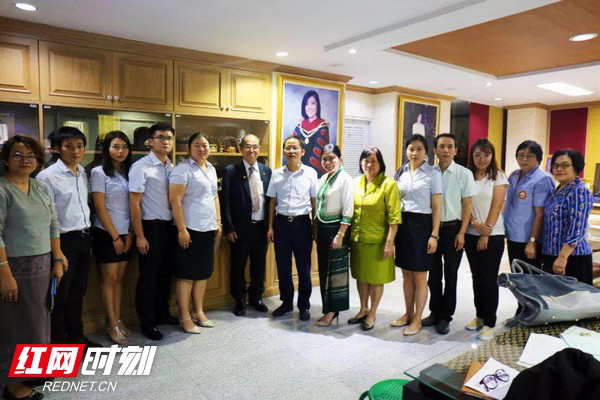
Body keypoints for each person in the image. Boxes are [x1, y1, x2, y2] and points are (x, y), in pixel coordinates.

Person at [0, 136, 67, 400]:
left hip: (42, 265)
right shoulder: (3, 190)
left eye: (31, 156)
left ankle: (33, 373)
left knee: (39, 323)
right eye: (17, 155)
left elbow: (53, 223)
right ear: (6, 159)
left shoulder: (40, 187)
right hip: (14, 268)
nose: (25, 160)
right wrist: (5, 275)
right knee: (16, 326)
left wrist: (58, 258)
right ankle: (12, 386)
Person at [36, 127, 101, 349]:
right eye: (69, 146)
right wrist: (57, 254)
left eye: (80, 146)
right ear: (56, 148)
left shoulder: (81, 172)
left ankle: (77, 337)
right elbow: (46, 218)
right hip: (62, 242)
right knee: (60, 296)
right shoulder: (47, 177)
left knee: (78, 292)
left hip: (84, 238)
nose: (75, 151)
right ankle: (59, 344)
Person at [129, 123, 178, 340]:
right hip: (150, 227)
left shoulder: (171, 166)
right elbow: (134, 203)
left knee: (165, 274)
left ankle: (162, 314)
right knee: (148, 277)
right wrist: (140, 235)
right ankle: (147, 322)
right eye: (160, 137)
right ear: (151, 141)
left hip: (169, 227)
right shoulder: (141, 167)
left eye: (169, 138)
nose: (165, 141)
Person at [169, 133, 222, 333]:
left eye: (205, 145)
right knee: (186, 275)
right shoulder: (182, 169)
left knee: (202, 273)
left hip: (208, 228)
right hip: (189, 229)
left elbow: (214, 196)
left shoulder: (211, 168)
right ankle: (184, 316)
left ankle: (198, 311)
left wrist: (218, 222)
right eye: (197, 145)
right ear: (189, 148)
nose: (201, 149)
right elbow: (175, 200)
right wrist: (182, 229)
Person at [423, 133, 475, 335]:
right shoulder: (428, 172)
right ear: (434, 150)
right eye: (442, 146)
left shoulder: (464, 174)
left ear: (456, 150)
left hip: (454, 229)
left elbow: (467, 205)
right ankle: (434, 311)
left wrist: (462, 233)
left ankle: (445, 316)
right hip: (432, 230)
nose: (445, 150)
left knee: (451, 274)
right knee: (433, 274)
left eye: (450, 146)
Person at [392, 135, 441, 336]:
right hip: (404, 224)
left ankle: (418, 318)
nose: (414, 153)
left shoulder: (433, 173)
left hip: (423, 226)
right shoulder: (401, 173)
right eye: (411, 149)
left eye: (419, 149)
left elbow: (437, 206)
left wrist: (434, 235)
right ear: (406, 151)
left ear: (426, 152)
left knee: (420, 275)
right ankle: (408, 313)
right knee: (406, 274)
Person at [348, 147, 401, 331]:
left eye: (373, 161)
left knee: (376, 279)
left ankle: (372, 313)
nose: (369, 164)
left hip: (378, 242)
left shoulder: (388, 184)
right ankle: (363, 309)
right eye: (366, 160)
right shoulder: (355, 183)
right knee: (361, 277)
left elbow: (394, 218)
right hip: (358, 240)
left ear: (380, 163)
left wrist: (389, 243)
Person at [267, 136, 318, 321]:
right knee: (283, 267)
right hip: (281, 224)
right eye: (288, 148)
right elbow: (272, 201)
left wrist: (315, 227)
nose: (291, 151)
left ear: (302, 151)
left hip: (302, 224)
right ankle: (286, 302)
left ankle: (304, 305)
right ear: (284, 151)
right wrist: (270, 227)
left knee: (304, 268)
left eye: (295, 148)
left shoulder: (311, 173)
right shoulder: (276, 174)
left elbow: (314, 201)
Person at [503, 140, 554, 325]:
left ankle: (533, 315)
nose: (524, 159)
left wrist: (532, 241)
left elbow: (540, 213)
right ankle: (522, 312)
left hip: (529, 239)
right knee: (518, 278)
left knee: (530, 280)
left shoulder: (542, 179)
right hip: (513, 235)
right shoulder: (514, 175)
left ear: (538, 158)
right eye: (520, 155)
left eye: (529, 156)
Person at [90, 131, 134, 345]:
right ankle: (112, 325)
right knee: (109, 280)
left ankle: (117, 319)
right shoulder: (98, 172)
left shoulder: (129, 172)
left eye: (124, 147)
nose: (120, 151)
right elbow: (99, 207)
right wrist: (115, 237)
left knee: (119, 279)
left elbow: (134, 204)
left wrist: (130, 233)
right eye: (116, 146)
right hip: (107, 233)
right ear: (107, 149)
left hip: (127, 232)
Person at [221, 134, 272, 316]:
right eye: (248, 146)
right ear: (241, 148)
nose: (252, 150)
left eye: (255, 147)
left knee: (259, 265)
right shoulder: (230, 171)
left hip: (261, 228)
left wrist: (270, 227)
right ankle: (240, 300)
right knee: (238, 266)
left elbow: (270, 201)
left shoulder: (266, 171)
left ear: (259, 148)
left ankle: (256, 297)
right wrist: (229, 228)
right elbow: (225, 201)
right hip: (240, 229)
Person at [464, 138, 508, 340]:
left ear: (492, 156)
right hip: (471, 232)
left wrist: (485, 232)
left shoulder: (498, 176)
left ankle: (490, 322)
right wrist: (474, 224)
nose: (482, 159)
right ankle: (480, 316)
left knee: (489, 278)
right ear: (472, 156)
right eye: (477, 155)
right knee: (476, 277)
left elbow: (497, 206)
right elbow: (464, 204)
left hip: (493, 234)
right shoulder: (467, 175)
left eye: (486, 154)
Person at [314, 144, 354, 326]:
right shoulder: (323, 178)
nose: (328, 162)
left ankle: (333, 311)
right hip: (322, 230)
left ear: (340, 159)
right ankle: (328, 309)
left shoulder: (345, 179)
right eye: (325, 159)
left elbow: (348, 209)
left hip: (337, 230)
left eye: (332, 158)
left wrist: (340, 235)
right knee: (324, 271)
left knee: (335, 273)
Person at [541, 149, 594, 285]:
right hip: (552, 254)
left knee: (575, 297)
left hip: (572, 258)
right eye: (556, 165)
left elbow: (577, 228)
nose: (559, 169)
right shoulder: (556, 191)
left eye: (565, 165)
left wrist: (563, 257)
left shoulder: (579, 191)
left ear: (576, 167)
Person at [292, 90, 330, 176]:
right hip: (296, 172)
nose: (309, 107)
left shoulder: (322, 127)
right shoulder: (299, 127)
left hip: (313, 174)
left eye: (313, 103)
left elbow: (320, 155)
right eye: (306, 104)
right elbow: (293, 150)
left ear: (318, 105)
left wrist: (305, 172)